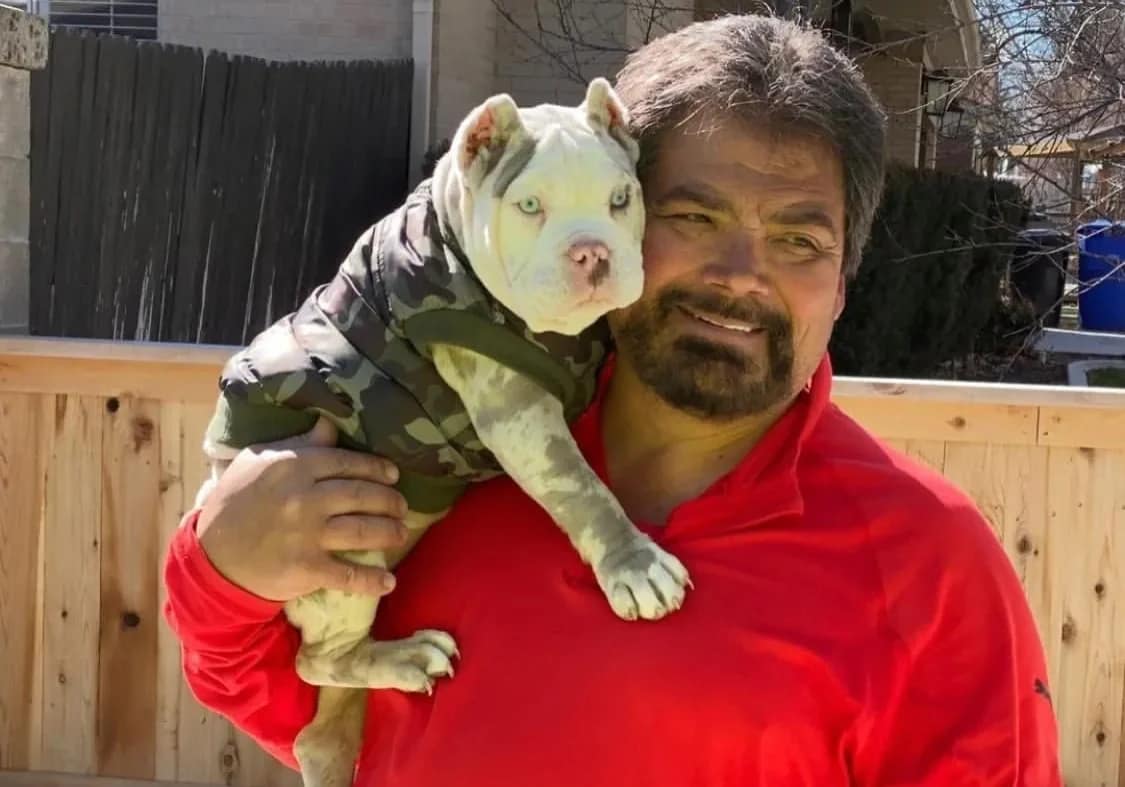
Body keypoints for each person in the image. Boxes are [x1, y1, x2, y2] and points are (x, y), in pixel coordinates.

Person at [163, 13, 1062, 786]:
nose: (740, 277)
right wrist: (221, 569)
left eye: (797, 240)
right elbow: (287, 701)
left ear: (843, 281)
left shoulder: (928, 568)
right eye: (692, 218)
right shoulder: (436, 445)